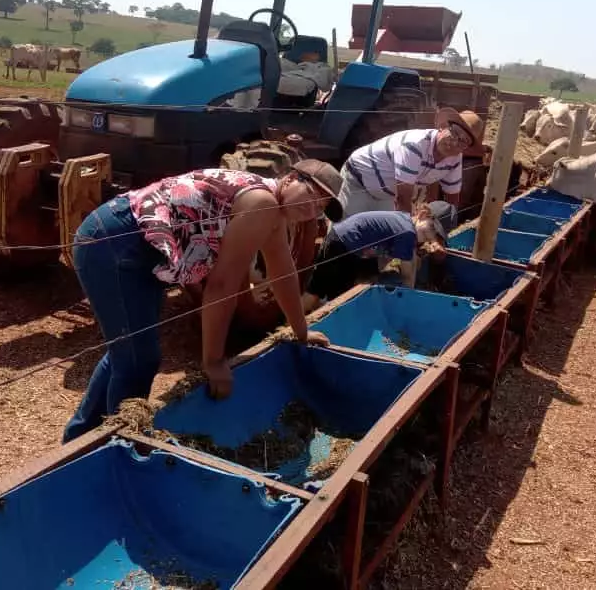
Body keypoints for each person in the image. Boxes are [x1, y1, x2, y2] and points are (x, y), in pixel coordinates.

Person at [62, 160, 344, 444]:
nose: (312, 210)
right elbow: (222, 286)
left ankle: (78, 441)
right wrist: (214, 361)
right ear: (291, 178)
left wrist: (301, 331)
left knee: (128, 351)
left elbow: (283, 272)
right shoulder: (261, 202)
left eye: (321, 207)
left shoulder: (275, 212)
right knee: (138, 360)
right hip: (115, 241)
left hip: (139, 247)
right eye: (312, 196)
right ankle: (119, 449)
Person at [301, 201, 459, 310]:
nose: (423, 238)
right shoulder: (407, 232)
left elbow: (390, 260)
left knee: (322, 290)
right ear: (422, 215)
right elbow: (408, 275)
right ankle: (296, 325)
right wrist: (409, 300)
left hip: (344, 241)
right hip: (343, 245)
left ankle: (298, 319)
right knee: (330, 295)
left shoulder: (403, 221)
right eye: (426, 231)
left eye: (429, 238)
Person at [338, 107, 484, 218]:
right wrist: (413, 230)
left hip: (386, 194)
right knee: (344, 234)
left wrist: (443, 228)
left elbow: (452, 200)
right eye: (454, 133)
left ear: (466, 148)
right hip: (358, 181)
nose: (454, 143)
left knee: (380, 243)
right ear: (443, 127)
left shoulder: (455, 158)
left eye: (463, 141)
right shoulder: (414, 145)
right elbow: (403, 198)